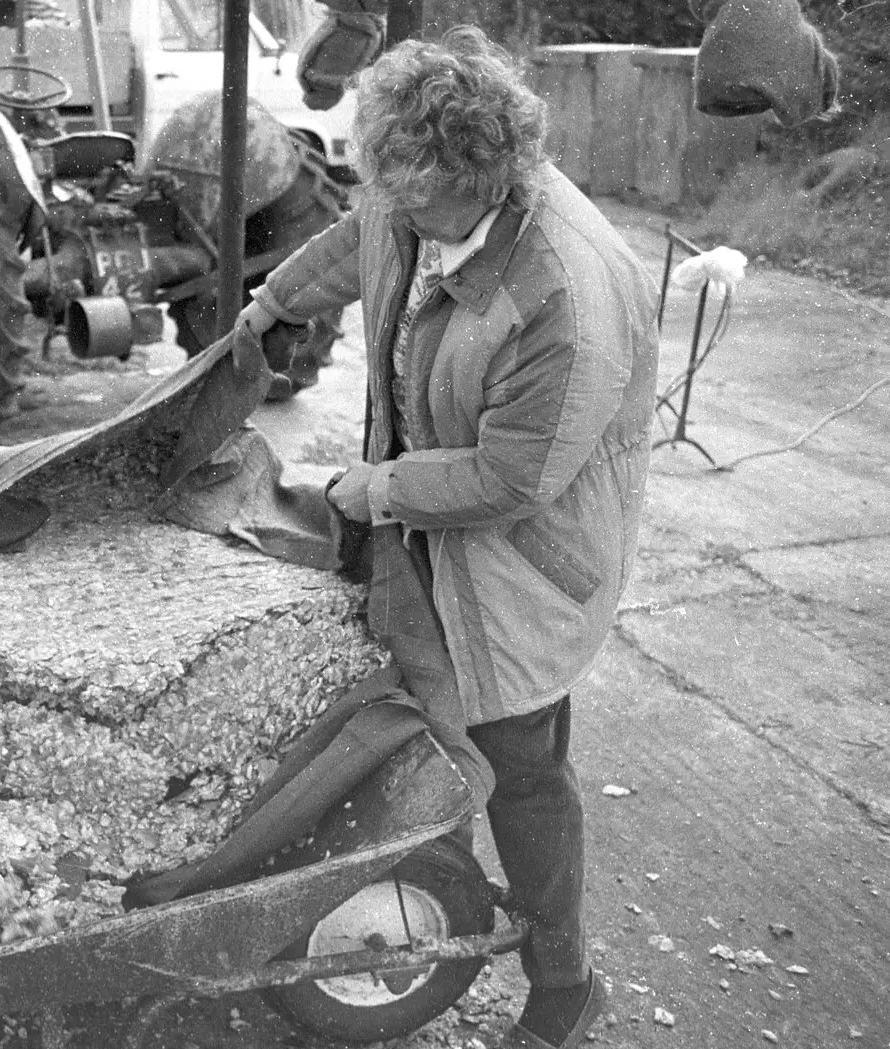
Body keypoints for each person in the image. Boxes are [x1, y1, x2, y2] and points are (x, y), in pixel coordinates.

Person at [238, 27, 658, 1049]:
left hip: (527, 559)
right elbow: (358, 236)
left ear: (488, 178)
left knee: (519, 759)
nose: (402, 215)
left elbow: (512, 476)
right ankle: (435, 881)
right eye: (393, 192)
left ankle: (564, 980)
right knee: (412, 710)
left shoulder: (562, 292)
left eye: (421, 202)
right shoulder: (412, 191)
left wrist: (371, 486)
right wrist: (268, 308)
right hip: (429, 510)